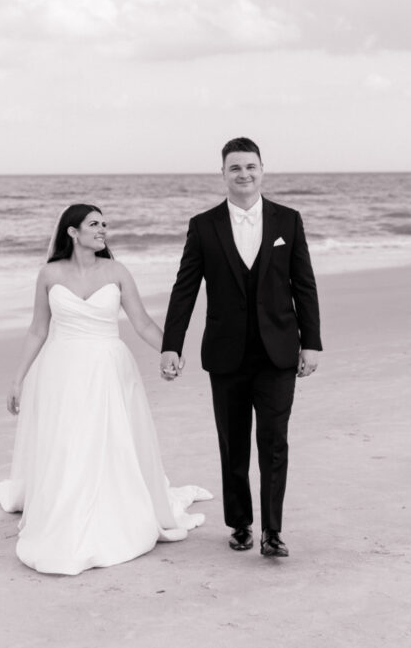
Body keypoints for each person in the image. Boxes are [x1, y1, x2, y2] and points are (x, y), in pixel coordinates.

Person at [0, 203, 211, 576]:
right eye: (94, 224)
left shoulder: (117, 271)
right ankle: (67, 511)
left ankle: (114, 508)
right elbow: (38, 330)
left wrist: (169, 351)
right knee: (68, 442)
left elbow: (142, 323)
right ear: (72, 232)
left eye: (104, 224)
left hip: (109, 368)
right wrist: (18, 378)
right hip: (61, 369)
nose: (102, 230)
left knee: (109, 439)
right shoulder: (49, 274)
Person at [160, 137, 322, 558]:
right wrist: (170, 345)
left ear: (262, 170)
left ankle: (272, 532)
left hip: (279, 353)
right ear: (223, 174)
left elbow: (303, 285)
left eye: (250, 167)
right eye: (235, 168)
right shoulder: (203, 225)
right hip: (226, 354)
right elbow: (185, 289)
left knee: (274, 442)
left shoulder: (289, 221)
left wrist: (313, 343)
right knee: (233, 443)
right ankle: (241, 525)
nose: (244, 174)